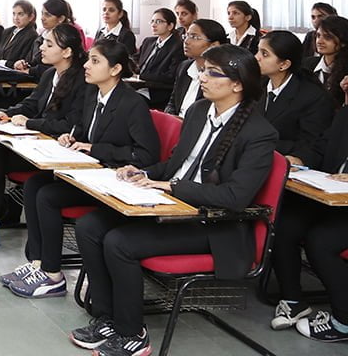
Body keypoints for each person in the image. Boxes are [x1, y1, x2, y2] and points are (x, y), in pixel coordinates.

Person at [71, 45, 277, 356]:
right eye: (203, 70)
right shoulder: (198, 112)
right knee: (89, 226)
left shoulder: (259, 132)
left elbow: (235, 196)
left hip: (213, 224)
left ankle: (133, 333)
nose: (202, 77)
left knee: (119, 242)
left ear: (237, 84)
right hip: (173, 206)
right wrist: (142, 173)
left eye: (212, 73)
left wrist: (171, 187)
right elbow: (175, 166)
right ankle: (106, 317)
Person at [3, 40, 159, 300]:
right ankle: (38, 263)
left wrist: (94, 148)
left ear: (115, 69)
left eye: (95, 61)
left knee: (48, 196)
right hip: (89, 172)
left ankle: (53, 274)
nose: (86, 65)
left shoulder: (133, 103)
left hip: (113, 178)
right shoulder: (92, 94)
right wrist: (72, 137)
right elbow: (87, 132)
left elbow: (145, 154)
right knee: (34, 184)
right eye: (88, 59)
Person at [0, 24, 87, 248]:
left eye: (49, 44)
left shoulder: (81, 82)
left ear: (67, 52)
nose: (41, 48)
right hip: (37, 144)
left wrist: (29, 123)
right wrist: (7, 113)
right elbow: (30, 104)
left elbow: (69, 125)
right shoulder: (50, 74)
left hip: (57, 149)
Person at [271, 104, 348, 341]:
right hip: (333, 197)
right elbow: (321, 148)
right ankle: (294, 300)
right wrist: (300, 159)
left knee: (322, 242)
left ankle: (344, 321)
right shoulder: (345, 114)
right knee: (284, 226)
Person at [256, 30, 334, 165]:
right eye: (258, 51)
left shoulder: (312, 96)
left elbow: (312, 144)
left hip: (286, 163)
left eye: (265, 54)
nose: (256, 57)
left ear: (284, 64)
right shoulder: (256, 87)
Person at [165, 18, 229, 116]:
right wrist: (169, 117)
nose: (186, 41)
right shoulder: (184, 67)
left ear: (214, 45)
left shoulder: (220, 75)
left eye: (194, 37)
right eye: (186, 35)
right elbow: (172, 102)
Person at [12, 0, 78, 79]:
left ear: (61, 18)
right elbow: (32, 61)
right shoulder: (41, 36)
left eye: (47, 15)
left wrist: (31, 70)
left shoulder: (67, 37)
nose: (42, 18)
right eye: (42, 14)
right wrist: (24, 64)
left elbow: (55, 67)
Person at [135, 7, 184, 107]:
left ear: (170, 26)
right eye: (152, 21)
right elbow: (135, 60)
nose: (153, 25)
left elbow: (170, 76)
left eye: (158, 21)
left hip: (157, 92)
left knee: (129, 100)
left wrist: (142, 76)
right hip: (138, 86)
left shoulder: (178, 47)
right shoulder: (148, 41)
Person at [0, 0, 39, 68]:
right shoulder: (7, 31)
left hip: (12, 72)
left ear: (31, 17)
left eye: (20, 14)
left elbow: (23, 62)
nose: (16, 18)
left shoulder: (32, 35)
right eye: (14, 14)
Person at [307, 15, 348, 107]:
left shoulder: (346, 72)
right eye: (318, 36)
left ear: (343, 42)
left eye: (328, 37)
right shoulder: (306, 65)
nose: (319, 41)